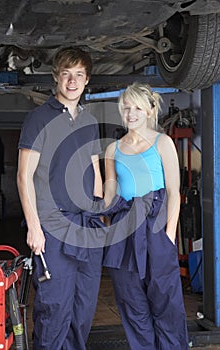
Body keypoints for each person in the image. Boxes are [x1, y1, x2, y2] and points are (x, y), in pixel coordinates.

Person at [17, 47, 104, 350]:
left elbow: (96, 170)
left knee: (82, 310)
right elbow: (24, 176)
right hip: (53, 227)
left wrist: (101, 214)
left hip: (87, 227)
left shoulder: (90, 120)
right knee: (54, 309)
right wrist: (33, 227)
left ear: (86, 80)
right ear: (56, 76)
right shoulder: (38, 119)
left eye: (78, 74)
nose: (72, 81)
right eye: (66, 73)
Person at [103, 82, 189, 349]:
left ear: (150, 110)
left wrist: (169, 237)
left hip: (156, 230)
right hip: (124, 233)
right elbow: (109, 195)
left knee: (166, 303)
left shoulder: (163, 143)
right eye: (126, 107)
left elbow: (174, 192)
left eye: (137, 107)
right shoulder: (112, 150)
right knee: (131, 303)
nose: (131, 113)